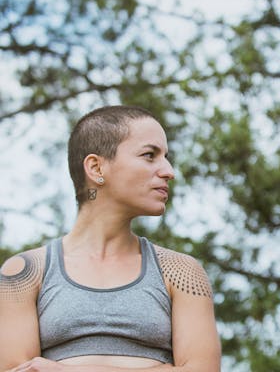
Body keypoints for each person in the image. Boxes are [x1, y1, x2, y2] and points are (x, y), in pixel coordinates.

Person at [0, 105, 221, 372]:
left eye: (166, 157)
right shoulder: (24, 273)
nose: (169, 171)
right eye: (149, 155)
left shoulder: (182, 272)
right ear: (96, 168)